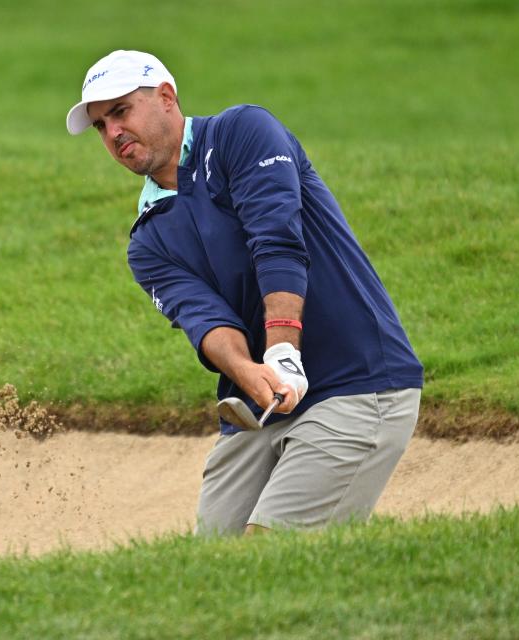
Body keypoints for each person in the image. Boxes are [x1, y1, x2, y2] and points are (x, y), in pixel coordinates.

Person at [66, 50, 424, 533]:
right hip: (259, 409)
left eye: (122, 111)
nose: (112, 133)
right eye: (100, 125)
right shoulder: (147, 240)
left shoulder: (241, 132)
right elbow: (207, 322)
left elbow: (275, 239)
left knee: (268, 550)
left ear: (167, 97)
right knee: (216, 570)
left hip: (358, 380)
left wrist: (281, 350)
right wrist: (249, 371)